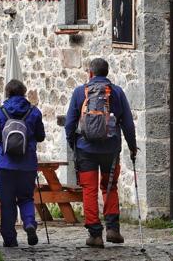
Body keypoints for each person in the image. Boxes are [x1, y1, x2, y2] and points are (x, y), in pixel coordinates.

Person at [65, 58, 137, 248]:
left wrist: (73, 144)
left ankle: (95, 235)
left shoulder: (80, 92)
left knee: (89, 189)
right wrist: (132, 146)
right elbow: (128, 123)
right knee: (109, 186)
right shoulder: (117, 92)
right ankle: (113, 229)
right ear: (107, 73)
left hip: (85, 149)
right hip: (110, 149)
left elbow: (70, 123)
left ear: (90, 73)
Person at [0, 79, 45, 247]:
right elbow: (41, 136)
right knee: (26, 197)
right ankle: (28, 223)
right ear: (24, 93)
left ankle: (10, 239)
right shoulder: (34, 112)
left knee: (7, 201)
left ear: (7, 93)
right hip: (27, 164)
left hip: (4, 164)